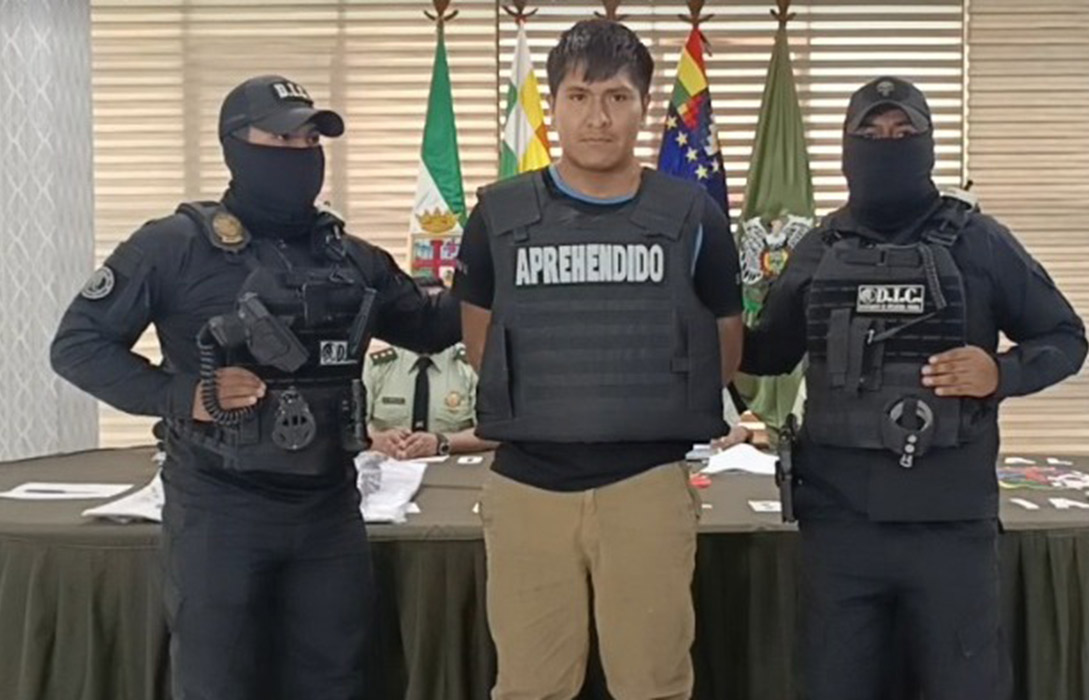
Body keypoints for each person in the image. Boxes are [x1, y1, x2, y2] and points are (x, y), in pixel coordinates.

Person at [49, 74, 460, 700]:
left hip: (328, 511)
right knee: (220, 685)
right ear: (235, 145)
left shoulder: (350, 256)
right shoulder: (173, 246)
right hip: (220, 511)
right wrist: (186, 394)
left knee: (337, 683)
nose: (300, 153)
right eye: (282, 138)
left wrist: (491, 257)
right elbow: (78, 346)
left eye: (310, 141)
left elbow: (432, 327)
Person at [741, 76, 1088, 700]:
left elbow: (1065, 338)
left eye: (903, 132)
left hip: (950, 528)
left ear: (929, 144)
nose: (888, 143)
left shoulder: (979, 240)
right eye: (871, 133)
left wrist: (1000, 373)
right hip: (840, 529)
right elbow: (767, 352)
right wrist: (696, 305)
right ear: (847, 147)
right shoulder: (820, 247)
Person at [453, 19, 743, 700]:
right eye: (579, 97)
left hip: (646, 486)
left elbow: (724, 352)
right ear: (553, 105)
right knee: (530, 687)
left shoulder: (694, 216)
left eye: (617, 97)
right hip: (527, 489)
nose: (598, 117)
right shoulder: (498, 216)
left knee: (652, 685)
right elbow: (482, 345)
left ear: (644, 107)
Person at [364, 277, 494, 458]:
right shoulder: (377, 365)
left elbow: (493, 434)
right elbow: (348, 428)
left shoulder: (470, 364)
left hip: (451, 469)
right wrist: (376, 440)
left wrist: (442, 442)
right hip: (389, 467)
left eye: (436, 313)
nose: (428, 323)